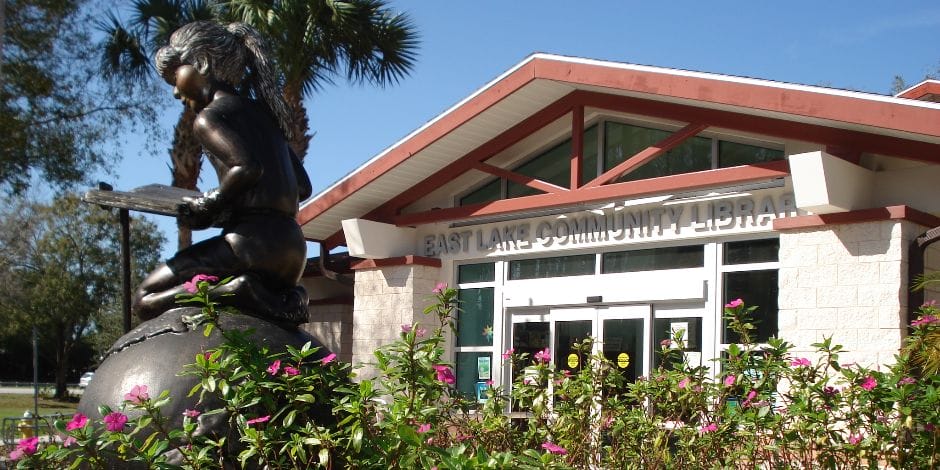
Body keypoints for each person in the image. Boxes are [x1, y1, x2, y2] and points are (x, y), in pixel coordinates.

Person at [132, 21, 312, 324]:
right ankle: (297, 296)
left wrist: (207, 204)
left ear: (201, 62)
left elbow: (246, 168)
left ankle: (234, 291)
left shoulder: (209, 118)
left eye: (174, 77)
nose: (175, 92)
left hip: (249, 246)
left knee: (144, 298)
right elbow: (303, 187)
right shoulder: (265, 117)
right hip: (292, 253)